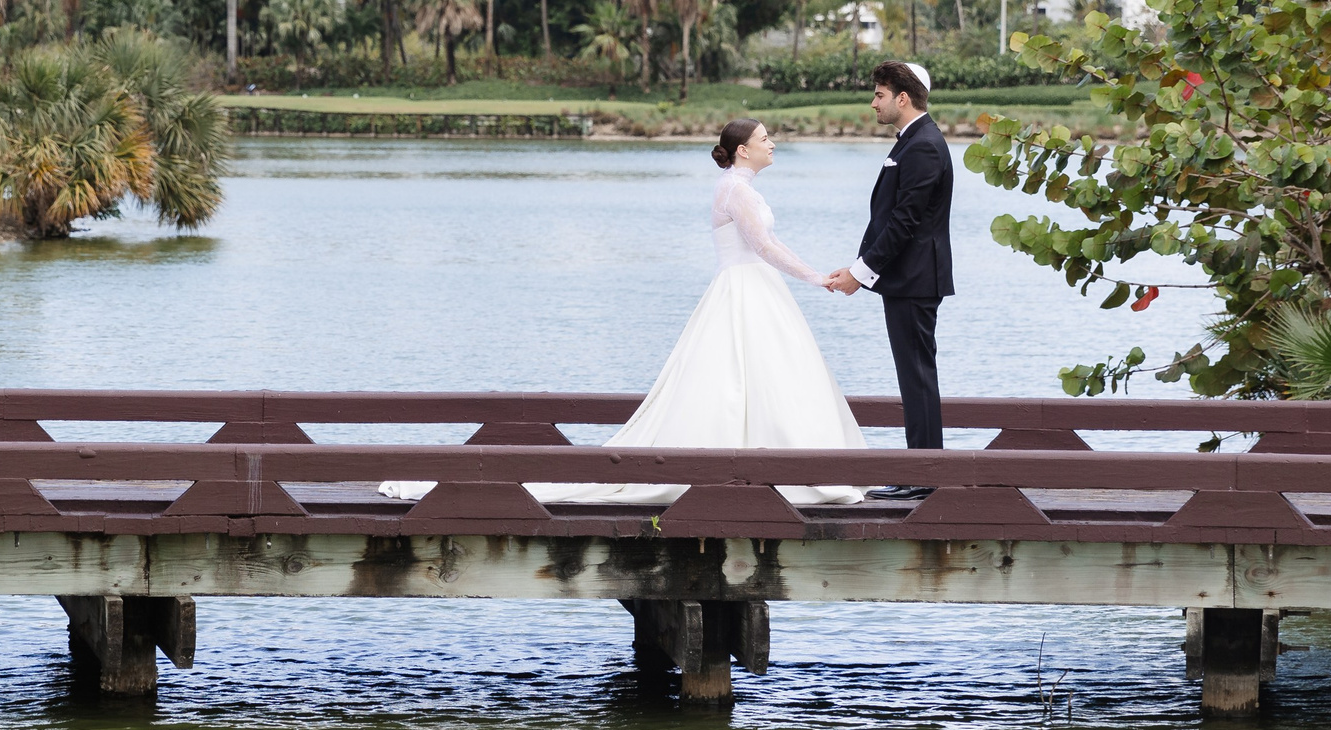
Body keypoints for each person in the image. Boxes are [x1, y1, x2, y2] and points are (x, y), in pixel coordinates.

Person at [382, 118, 866, 508]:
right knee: (738, 377)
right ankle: (761, 469)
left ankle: (768, 460)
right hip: (744, 287)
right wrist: (814, 278)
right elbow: (761, 245)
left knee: (760, 376)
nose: (772, 144)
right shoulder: (736, 190)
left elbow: (770, 242)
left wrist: (812, 273)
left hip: (754, 288)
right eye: (765, 139)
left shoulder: (741, 187)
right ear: (743, 150)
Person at [822, 61, 953, 501]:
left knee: (917, 377)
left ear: (902, 97)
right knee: (913, 377)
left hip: (915, 280)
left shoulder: (924, 146)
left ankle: (926, 477)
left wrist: (860, 274)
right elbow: (887, 218)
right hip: (906, 280)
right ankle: (921, 471)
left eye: (879, 94)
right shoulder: (913, 141)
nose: (873, 102)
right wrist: (858, 265)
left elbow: (904, 222)